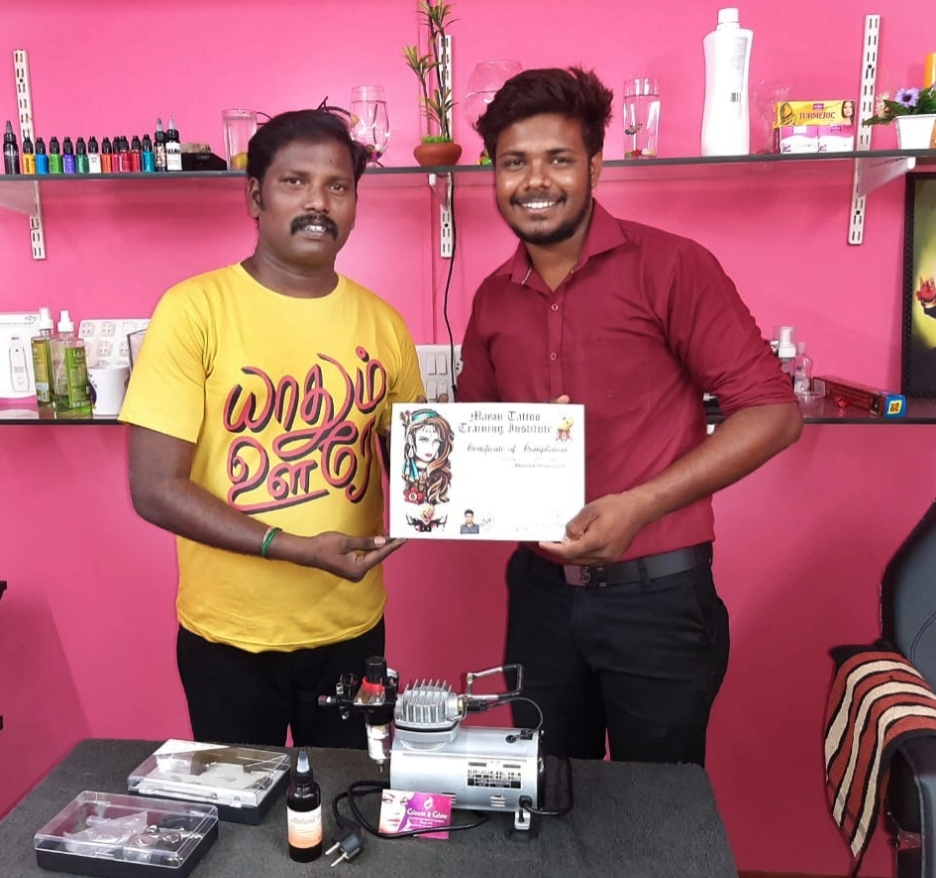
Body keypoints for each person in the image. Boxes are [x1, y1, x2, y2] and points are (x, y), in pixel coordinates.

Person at [458, 67, 803, 766]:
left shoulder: (672, 266)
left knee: (659, 806)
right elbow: (473, 441)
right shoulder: (492, 298)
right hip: (540, 598)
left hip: (659, 598)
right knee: (550, 794)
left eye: (558, 159)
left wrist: (637, 506)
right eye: (514, 162)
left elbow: (773, 412)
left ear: (595, 166)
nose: (535, 181)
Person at [119, 107, 425, 749]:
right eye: (295, 182)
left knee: (348, 799)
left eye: (338, 186)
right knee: (239, 806)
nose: (319, 203)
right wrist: (296, 547)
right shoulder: (193, 310)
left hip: (350, 630)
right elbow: (154, 489)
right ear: (256, 196)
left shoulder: (385, 324)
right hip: (229, 638)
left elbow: (419, 472)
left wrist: (514, 444)